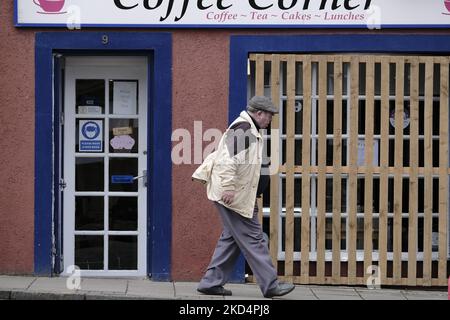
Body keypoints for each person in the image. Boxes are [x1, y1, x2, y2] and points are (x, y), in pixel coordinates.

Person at [192, 96, 295, 298]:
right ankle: (270, 285)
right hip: (234, 196)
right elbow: (226, 160)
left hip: (240, 195)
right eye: (269, 115)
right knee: (254, 238)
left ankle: (211, 283)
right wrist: (229, 187)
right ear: (259, 113)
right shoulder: (244, 130)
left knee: (231, 240)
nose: (270, 120)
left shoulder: (250, 129)